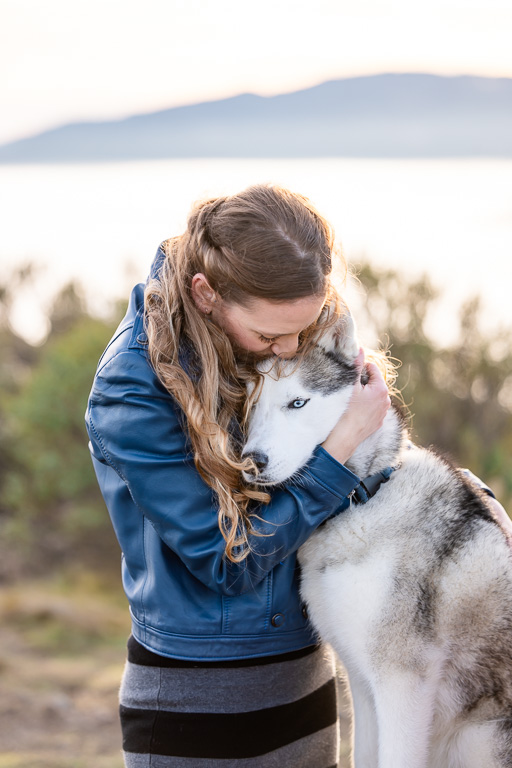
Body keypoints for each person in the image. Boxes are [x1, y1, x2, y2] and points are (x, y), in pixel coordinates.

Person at [85, 183, 510, 767]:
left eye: (301, 332)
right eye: (269, 337)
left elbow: (361, 494)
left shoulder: (271, 346)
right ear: (206, 294)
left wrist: (465, 515)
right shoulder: (133, 387)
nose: (288, 350)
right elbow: (224, 559)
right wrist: (336, 453)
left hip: (308, 688)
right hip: (199, 709)